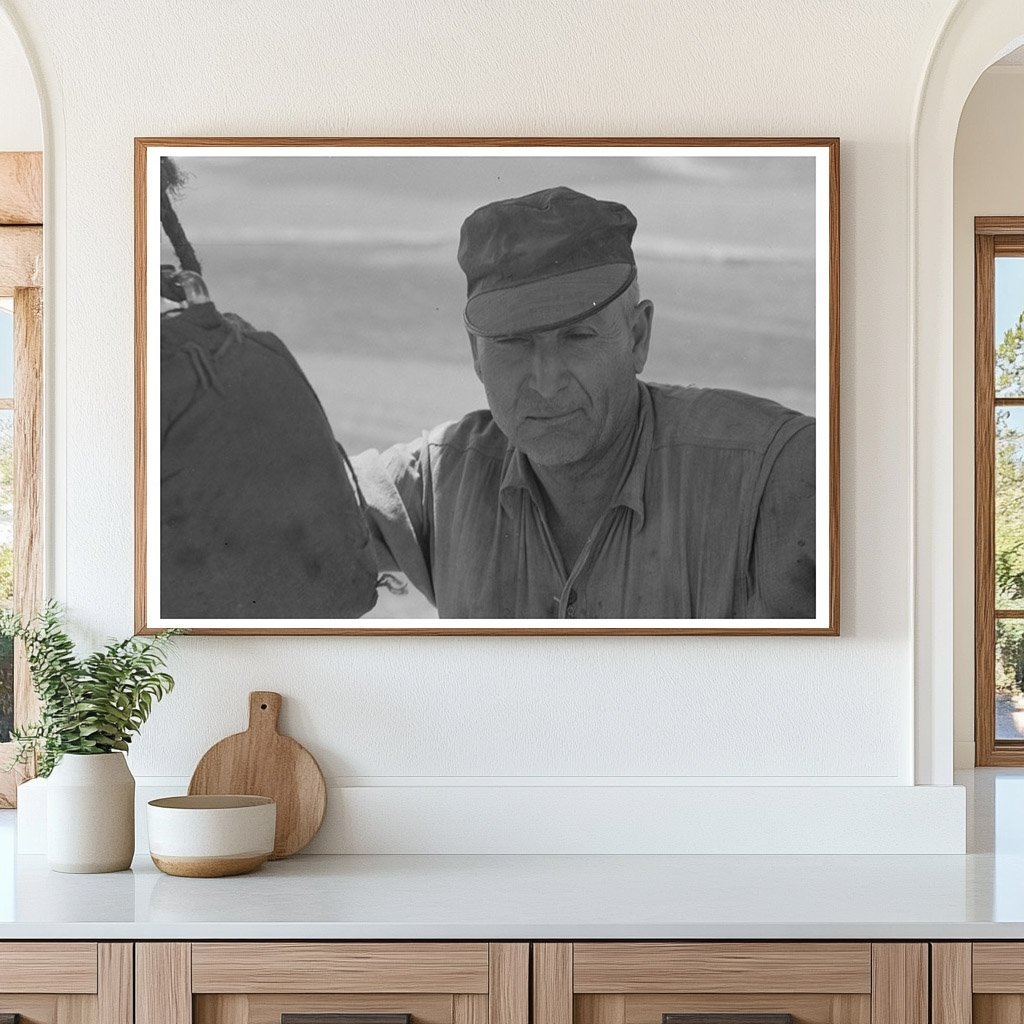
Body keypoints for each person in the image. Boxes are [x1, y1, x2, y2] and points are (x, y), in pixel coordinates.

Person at [351, 185, 816, 620]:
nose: (547, 383)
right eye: (513, 342)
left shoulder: (771, 472)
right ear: (477, 355)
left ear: (638, 337)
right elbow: (306, 506)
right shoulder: (442, 480)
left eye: (578, 336)